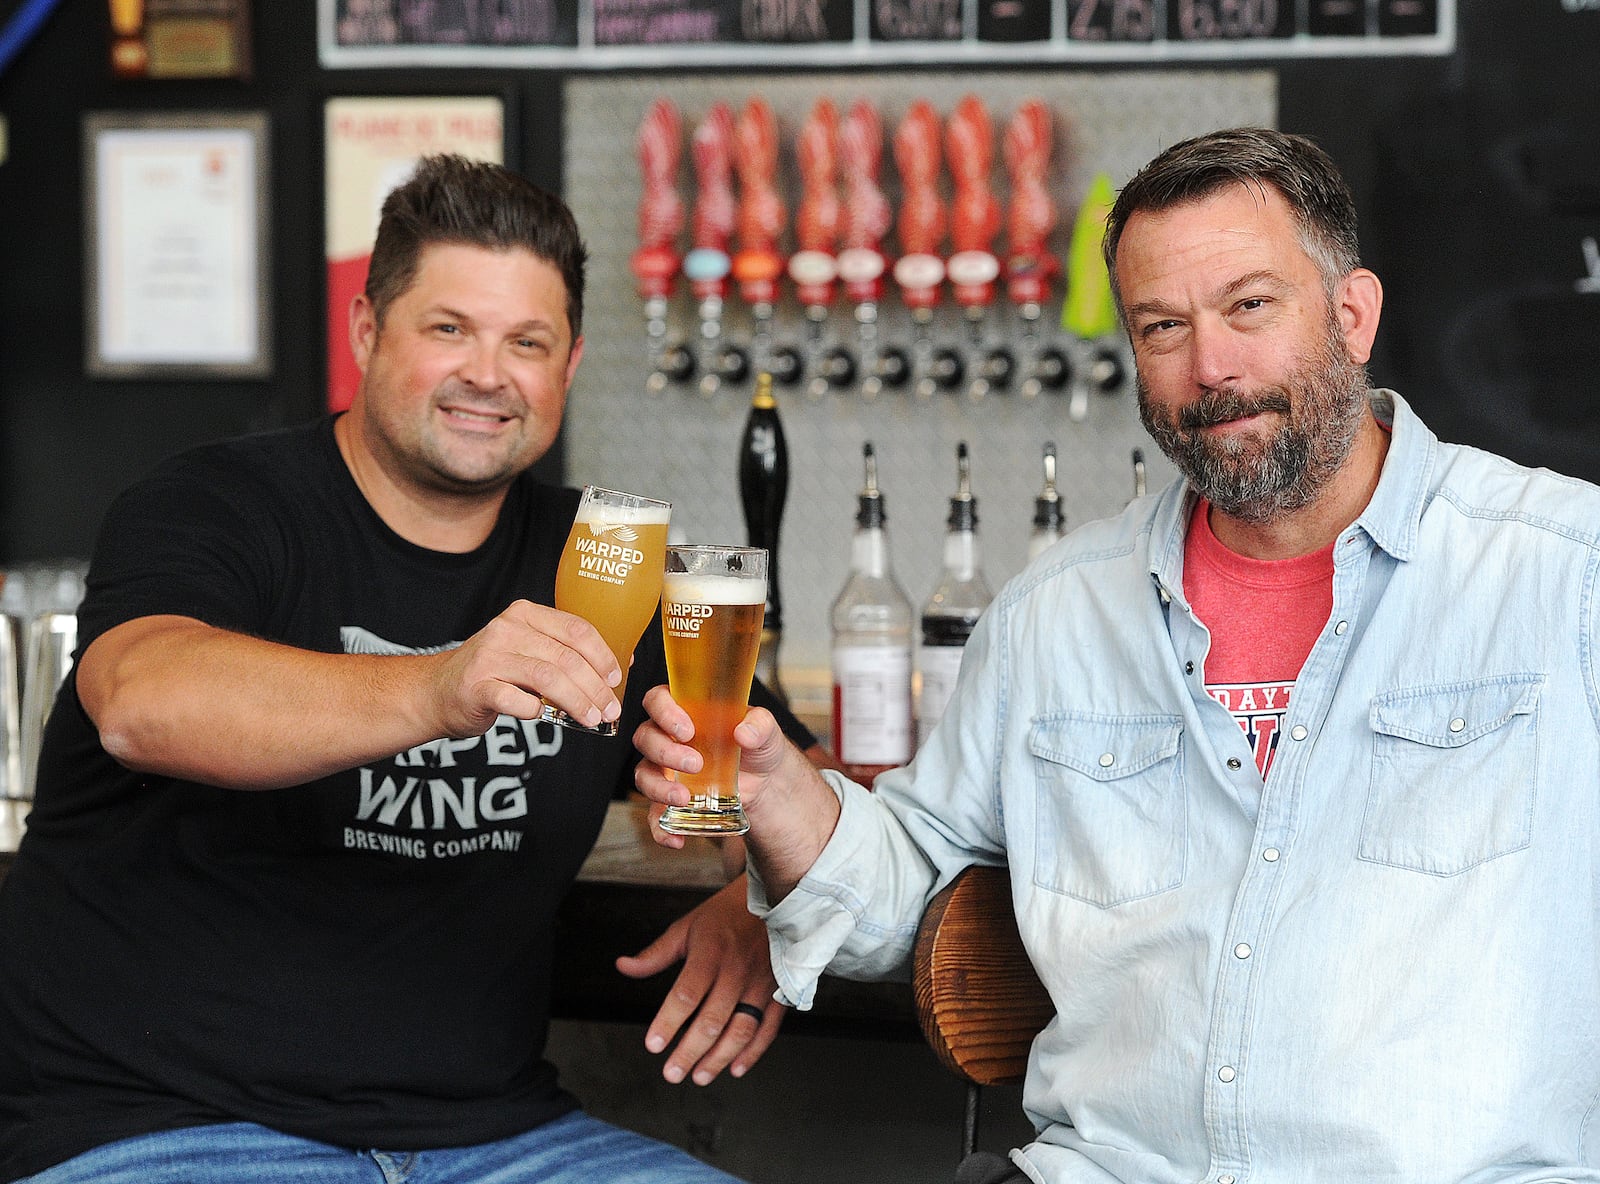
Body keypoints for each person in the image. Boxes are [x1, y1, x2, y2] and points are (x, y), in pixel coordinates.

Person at [635, 126, 1600, 1183]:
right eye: (1162, 325)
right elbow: (906, 887)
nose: (1212, 366)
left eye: (1249, 306)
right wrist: (779, 796)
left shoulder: (1560, 571)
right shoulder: (1054, 616)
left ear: (1352, 313)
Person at [0, 154, 823, 1184]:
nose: (489, 373)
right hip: (168, 1128)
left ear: (566, 370)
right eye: (449, 329)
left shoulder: (604, 556)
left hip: (503, 1141)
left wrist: (771, 899)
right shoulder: (214, 504)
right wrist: (441, 687)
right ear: (364, 332)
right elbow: (138, 700)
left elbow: (811, 772)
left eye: (528, 342)